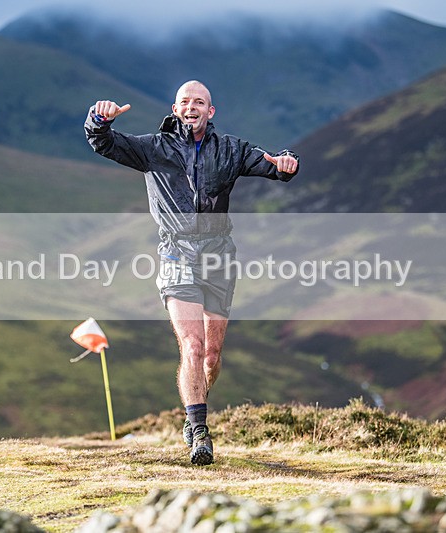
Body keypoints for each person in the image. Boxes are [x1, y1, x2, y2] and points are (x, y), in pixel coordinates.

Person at [85, 80, 298, 465]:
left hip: (219, 257)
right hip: (176, 254)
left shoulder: (231, 150)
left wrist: (286, 162)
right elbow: (104, 143)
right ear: (175, 108)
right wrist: (99, 121)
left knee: (211, 357)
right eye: (185, 101)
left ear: (210, 111)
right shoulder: (154, 148)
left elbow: (272, 164)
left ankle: (197, 399)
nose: (191, 107)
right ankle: (199, 430)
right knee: (192, 345)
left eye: (199, 102)